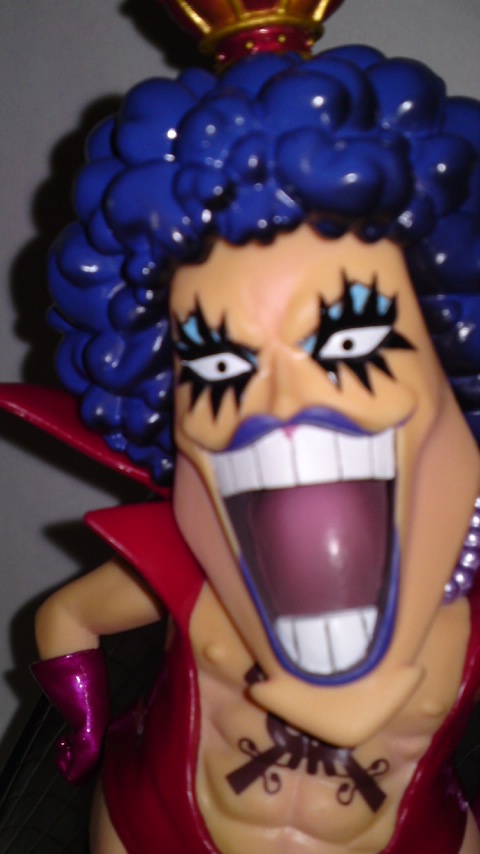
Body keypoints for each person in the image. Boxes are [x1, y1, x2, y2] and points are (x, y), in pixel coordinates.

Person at [3, 45, 480, 853]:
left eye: (350, 338)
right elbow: (69, 614)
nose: (280, 405)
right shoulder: (191, 560)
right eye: (221, 363)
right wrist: (84, 727)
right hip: (159, 826)